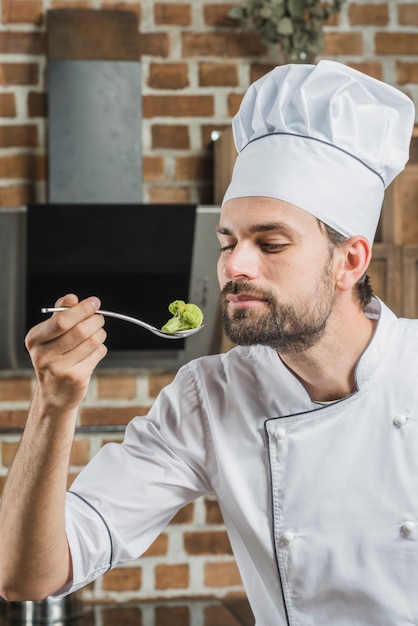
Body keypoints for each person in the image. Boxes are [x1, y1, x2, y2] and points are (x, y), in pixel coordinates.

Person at [0, 60, 416, 625]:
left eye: (269, 244)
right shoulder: (210, 396)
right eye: (228, 241)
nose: (233, 266)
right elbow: (28, 575)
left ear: (350, 261)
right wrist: (53, 402)